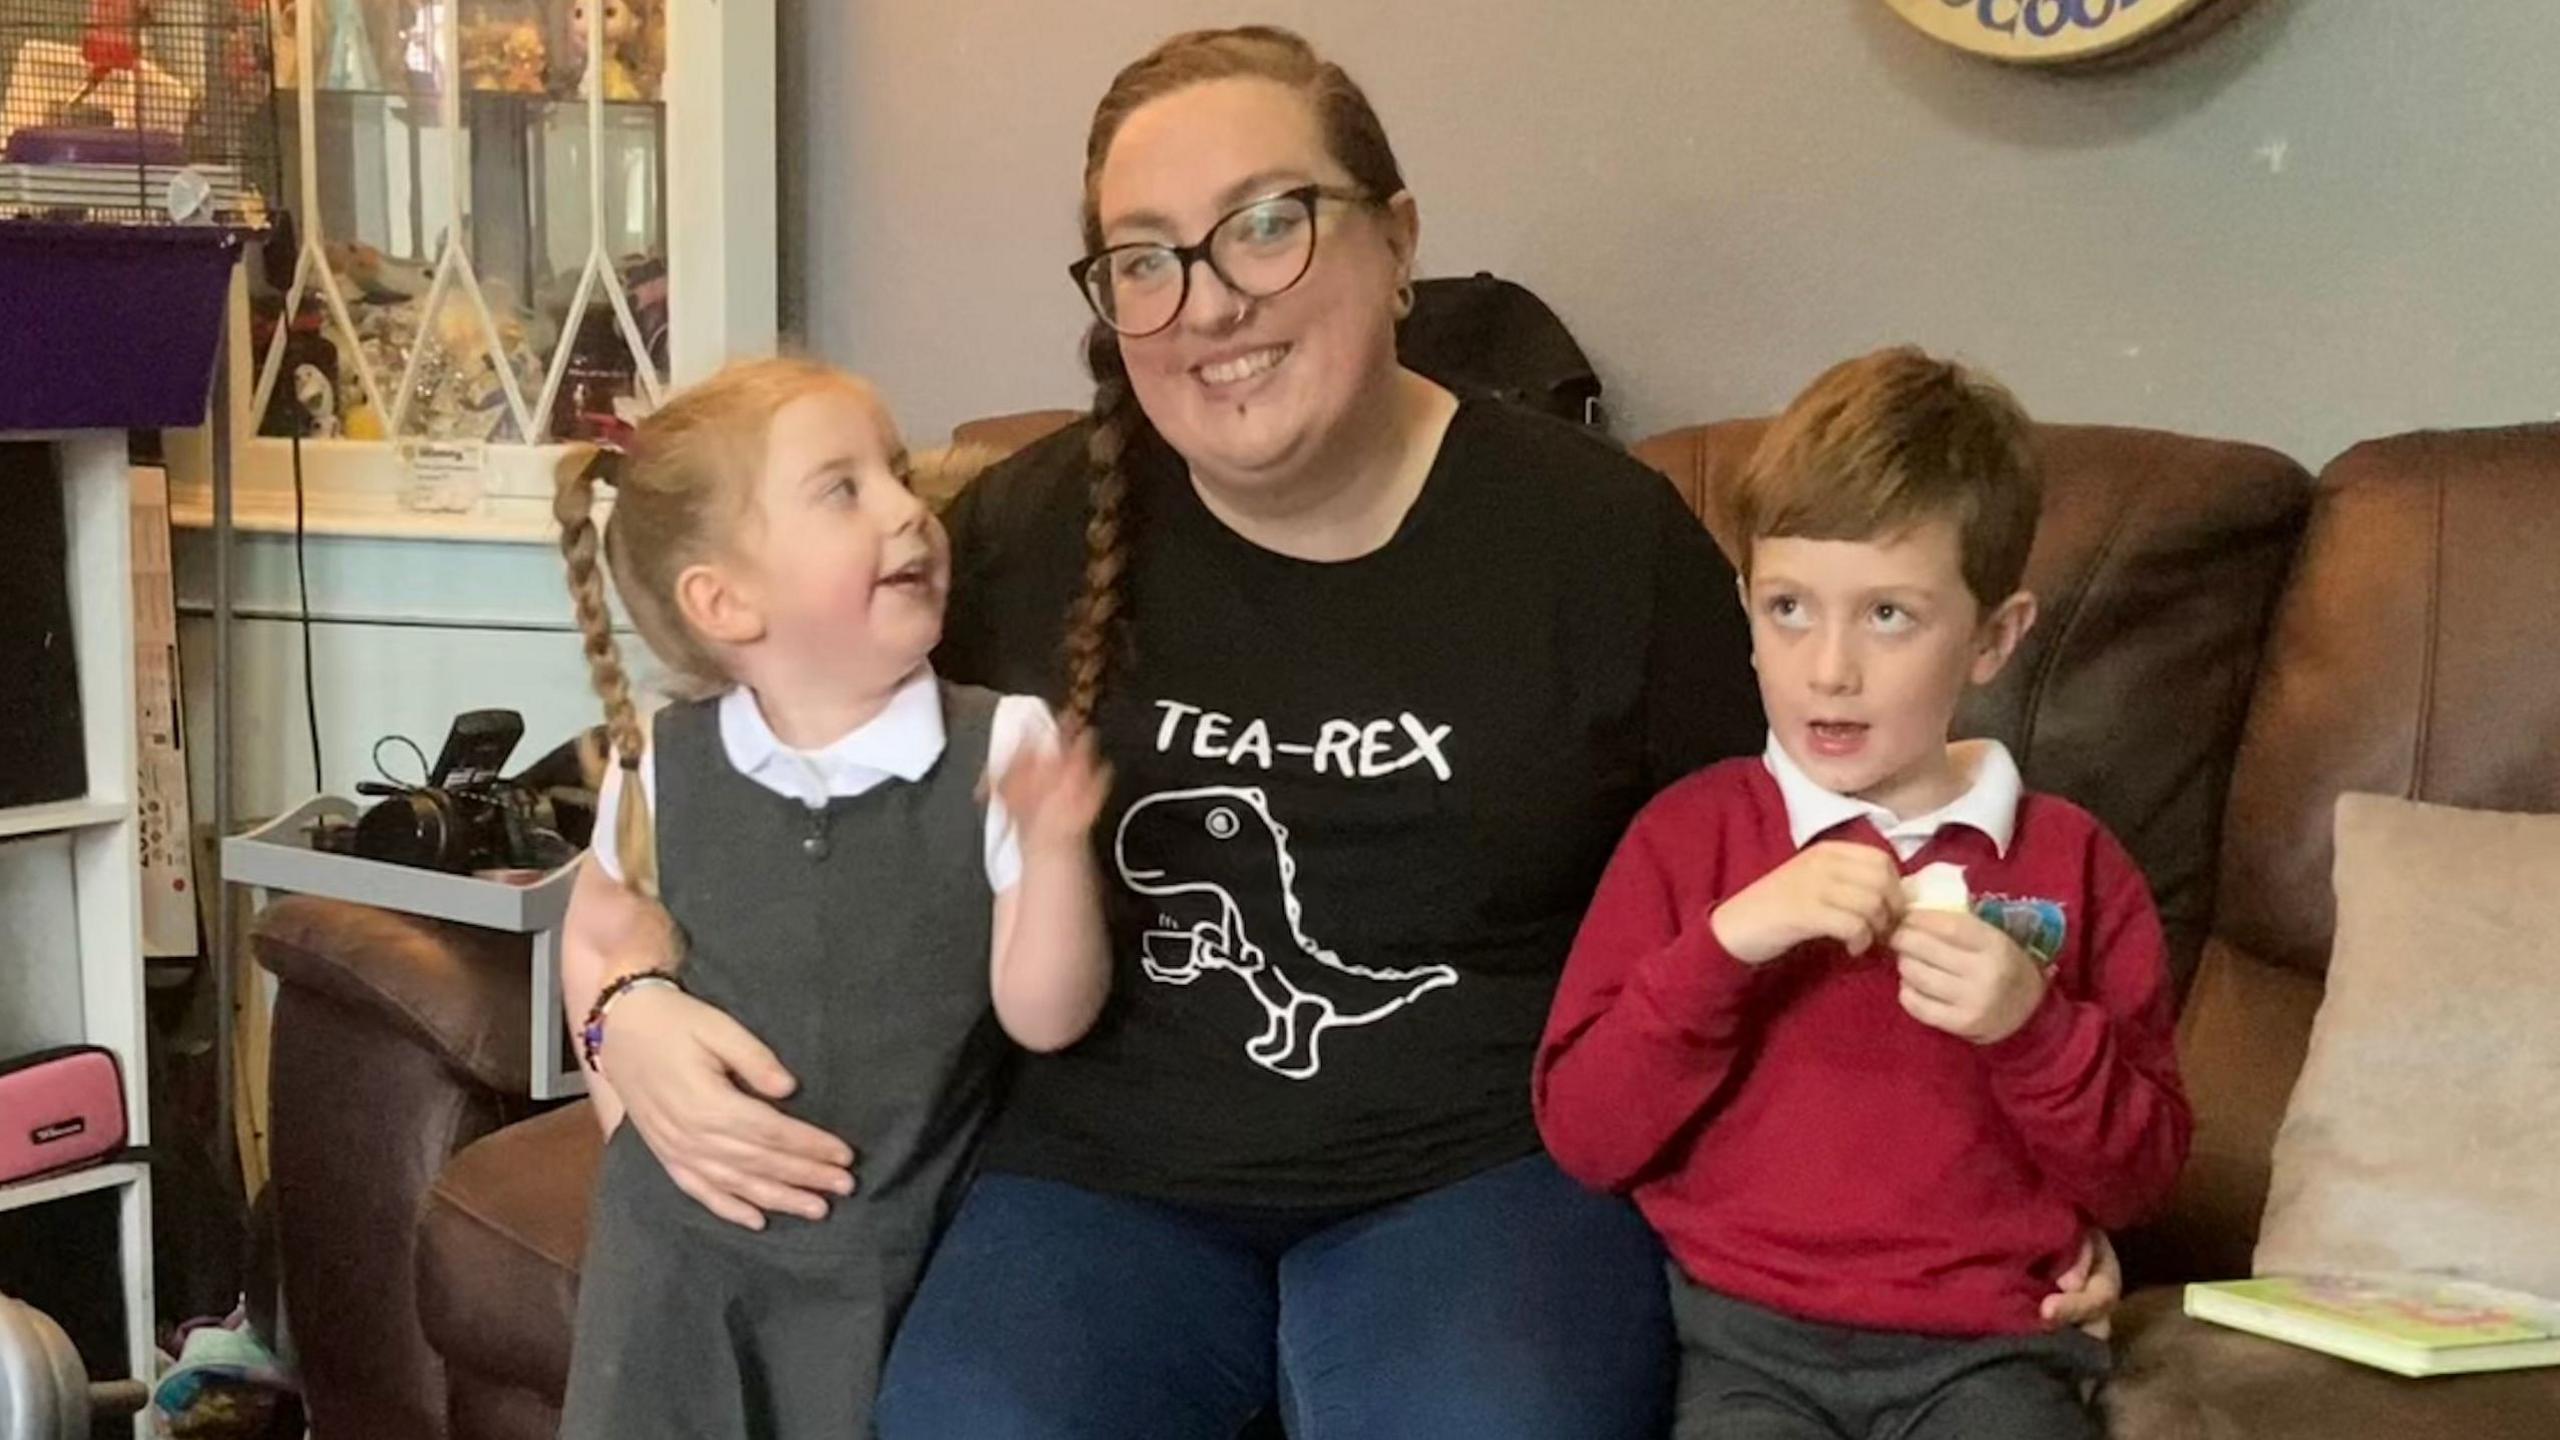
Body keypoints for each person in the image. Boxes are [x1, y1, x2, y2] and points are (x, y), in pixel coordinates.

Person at [561, 28, 2125, 1438]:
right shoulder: (1010, 538)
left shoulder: (1599, 540)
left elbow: (1801, 885)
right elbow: (721, 783)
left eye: (1266, 223)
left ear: (1396, 242)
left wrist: (1994, 1211)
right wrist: (617, 1001)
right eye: (1146, 260)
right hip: (1098, 1185)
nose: (1211, 303)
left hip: (1484, 1176)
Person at [1535, 347, 2192, 1440]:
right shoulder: (1688, 841)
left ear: (1993, 637)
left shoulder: (2073, 865)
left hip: (1990, 1351)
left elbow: (2141, 1178)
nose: (1827, 668)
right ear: (1743, 607)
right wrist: (1724, 948)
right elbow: (1587, 1136)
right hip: (1742, 1348)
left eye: (1888, 616)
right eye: (1788, 608)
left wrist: (2031, 1030)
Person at [548, 357, 1110, 1439]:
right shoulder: (660, 764)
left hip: (882, 1253)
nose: (912, 510)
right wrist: (648, 1128)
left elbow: (1047, 1013)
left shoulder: (1002, 745)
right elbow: (597, 948)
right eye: (844, 489)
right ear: (724, 600)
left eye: (898, 474)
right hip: (672, 1263)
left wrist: (1053, 851)